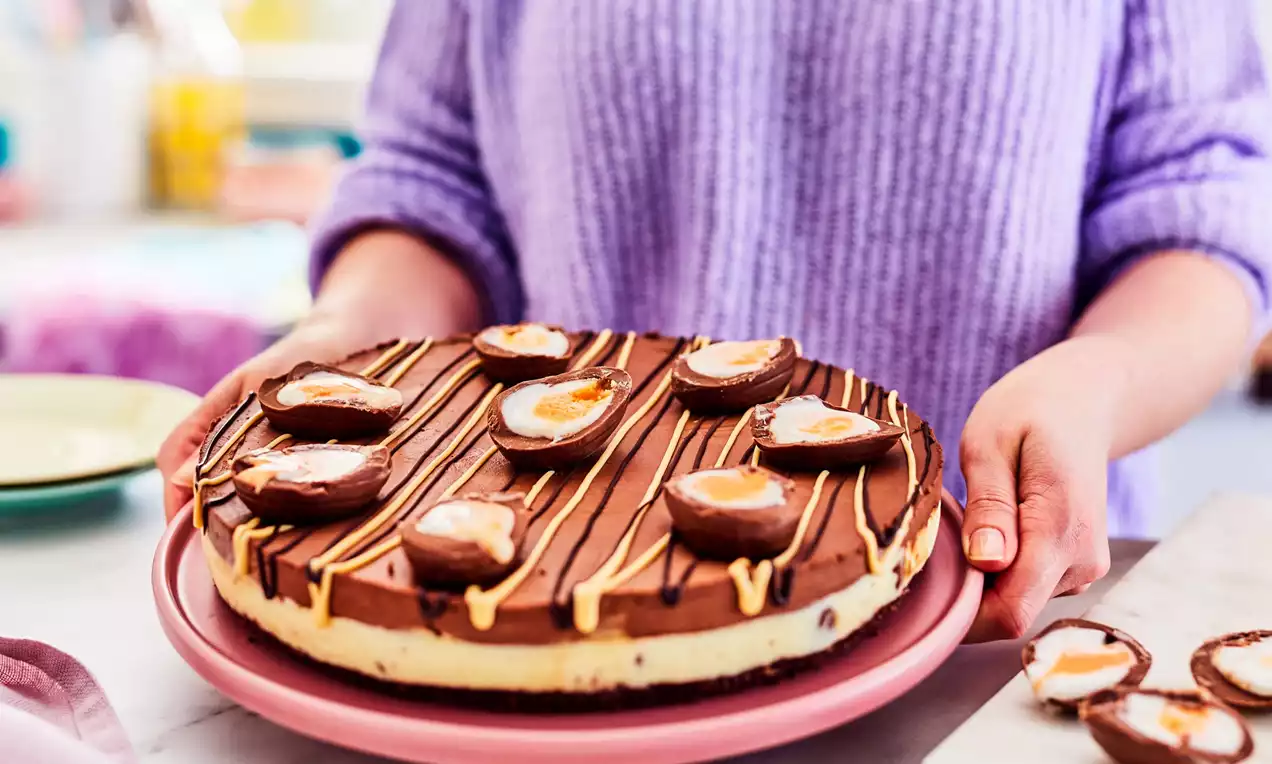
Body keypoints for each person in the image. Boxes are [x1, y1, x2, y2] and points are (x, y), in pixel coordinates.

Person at [158, 1, 1272, 642]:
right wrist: (351, 335)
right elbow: (436, 182)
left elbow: (1207, 207)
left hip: (994, 639)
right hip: (546, 638)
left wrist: (1104, 378)